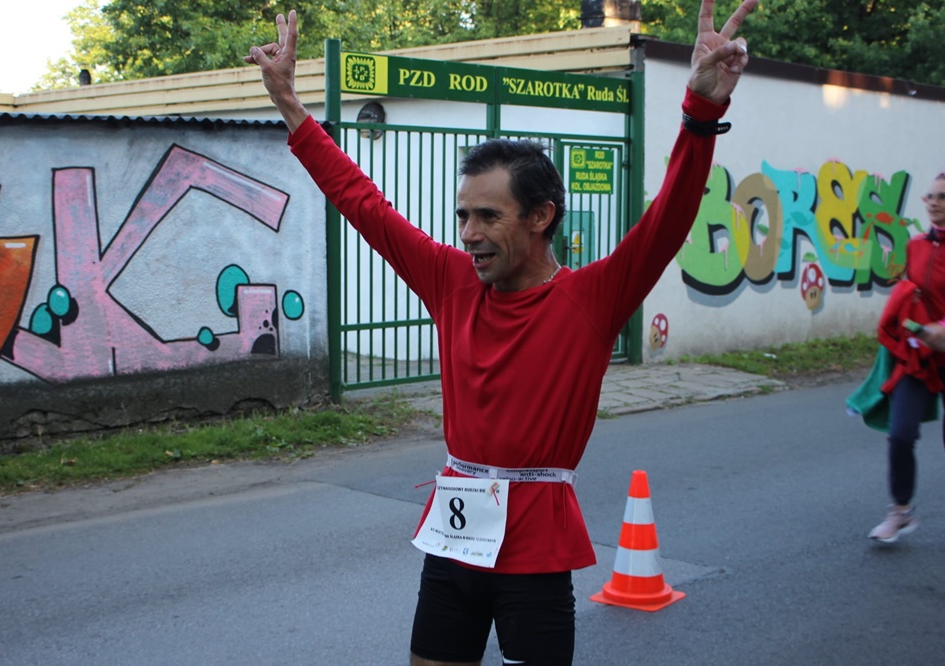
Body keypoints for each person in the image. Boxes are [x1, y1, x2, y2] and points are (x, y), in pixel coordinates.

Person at [247, 1, 756, 662]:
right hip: (455, 543)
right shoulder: (450, 281)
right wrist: (289, 104)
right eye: (462, 216)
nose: (468, 234)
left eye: (487, 216)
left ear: (540, 216)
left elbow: (669, 217)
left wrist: (701, 108)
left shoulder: (591, 298)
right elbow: (362, 202)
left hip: (536, 550)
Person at [869, 172, 945, 543]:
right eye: (930, 196)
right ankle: (900, 512)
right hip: (920, 357)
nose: (934, 203)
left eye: (942, 197)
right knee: (900, 435)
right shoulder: (915, 245)